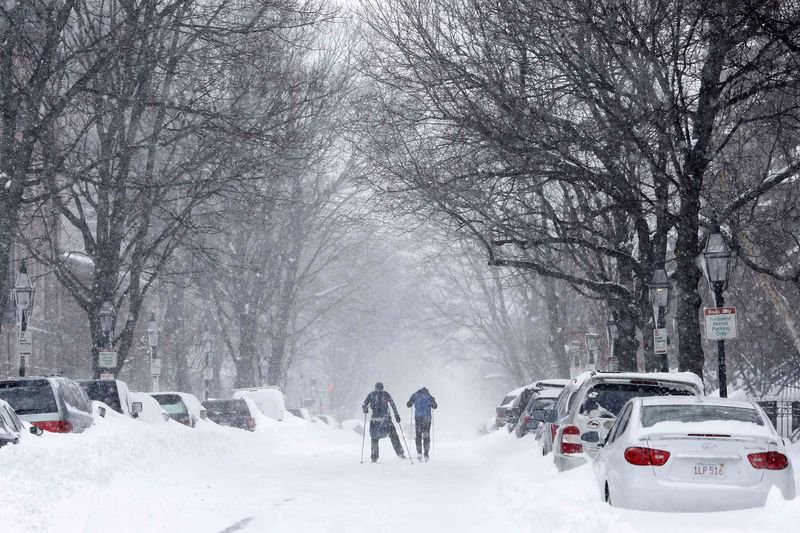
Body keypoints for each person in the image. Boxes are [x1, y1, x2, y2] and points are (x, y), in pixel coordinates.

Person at [362, 382, 405, 462]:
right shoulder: (386, 394)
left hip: (375, 421)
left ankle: (374, 457)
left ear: (375, 387)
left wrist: (365, 409)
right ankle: (400, 454)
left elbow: (364, 404)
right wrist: (396, 416)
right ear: (382, 387)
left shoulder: (371, 395)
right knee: (394, 436)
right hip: (386, 421)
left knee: (374, 439)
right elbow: (393, 405)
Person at [407, 386, 437, 461]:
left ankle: (419, 453)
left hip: (418, 418)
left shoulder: (415, 395)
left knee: (418, 435)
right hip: (427, 418)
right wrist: (433, 401)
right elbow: (435, 406)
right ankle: (426, 454)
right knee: (426, 435)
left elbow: (408, 405)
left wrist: (412, 401)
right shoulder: (429, 396)